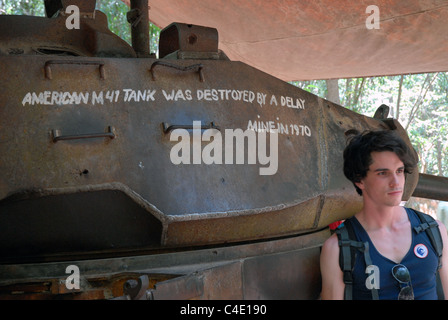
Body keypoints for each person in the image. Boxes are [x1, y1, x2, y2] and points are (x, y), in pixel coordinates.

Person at [320, 130, 448, 300]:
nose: (396, 182)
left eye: (400, 171)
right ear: (360, 180)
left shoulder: (434, 231)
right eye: (383, 173)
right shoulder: (338, 249)